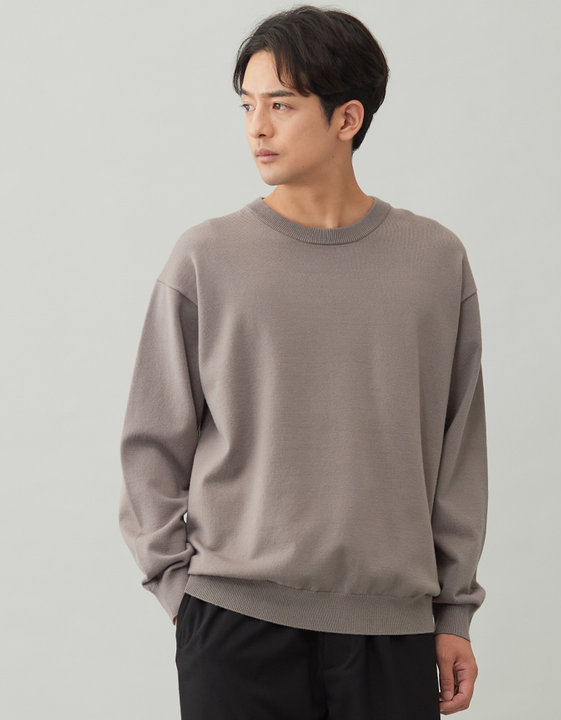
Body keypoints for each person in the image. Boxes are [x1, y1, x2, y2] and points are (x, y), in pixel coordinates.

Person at [118, 5, 488, 719]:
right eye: (247, 105)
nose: (257, 127)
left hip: (392, 627)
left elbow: (459, 451)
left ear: (348, 118)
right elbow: (150, 442)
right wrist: (179, 591)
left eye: (281, 105)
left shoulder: (435, 261)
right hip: (234, 623)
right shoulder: (206, 258)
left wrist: (453, 612)